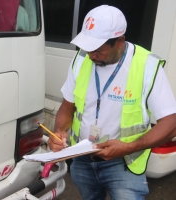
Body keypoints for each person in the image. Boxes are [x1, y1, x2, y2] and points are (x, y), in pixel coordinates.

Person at [47, 5, 176, 200]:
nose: (91, 55)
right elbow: (67, 105)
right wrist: (58, 132)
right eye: (87, 48)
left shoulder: (146, 66)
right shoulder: (82, 59)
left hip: (123, 163)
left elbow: (171, 123)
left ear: (120, 42)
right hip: (83, 158)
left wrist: (129, 147)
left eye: (98, 50)